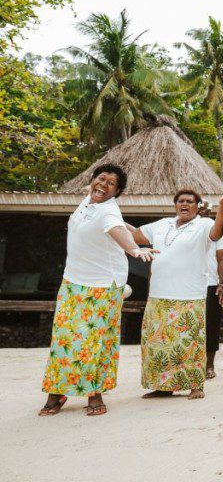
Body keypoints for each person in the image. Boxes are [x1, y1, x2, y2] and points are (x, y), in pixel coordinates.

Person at [39, 164, 158, 417]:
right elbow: (116, 224)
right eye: (101, 179)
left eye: (111, 183)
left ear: (117, 192)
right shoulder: (88, 202)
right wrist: (129, 231)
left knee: (94, 341)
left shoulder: (108, 210)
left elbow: (114, 228)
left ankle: (94, 394)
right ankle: (57, 391)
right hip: (72, 281)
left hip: (102, 286)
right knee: (63, 339)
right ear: (92, 179)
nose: (103, 185)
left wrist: (134, 249)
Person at [127, 189, 223, 400]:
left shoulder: (204, 225)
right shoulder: (161, 224)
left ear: (197, 206)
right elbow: (135, 235)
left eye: (190, 202)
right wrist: (111, 218)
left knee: (189, 342)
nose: (184, 204)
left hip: (189, 295)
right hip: (159, 294)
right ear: (175, 205)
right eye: (180, 201)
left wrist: (222, 207)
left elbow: (217, 234)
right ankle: (163, 386)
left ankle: (195, 385)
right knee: (159, 344)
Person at [201, 201, 223, 380]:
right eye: (200, 207)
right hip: (184, 285)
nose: (203, 211)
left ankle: (209, 364)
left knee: (210, 325)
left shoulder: (217, 230)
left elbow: (222, 258)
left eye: (207, 209)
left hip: (210, 283)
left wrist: (222, 284)